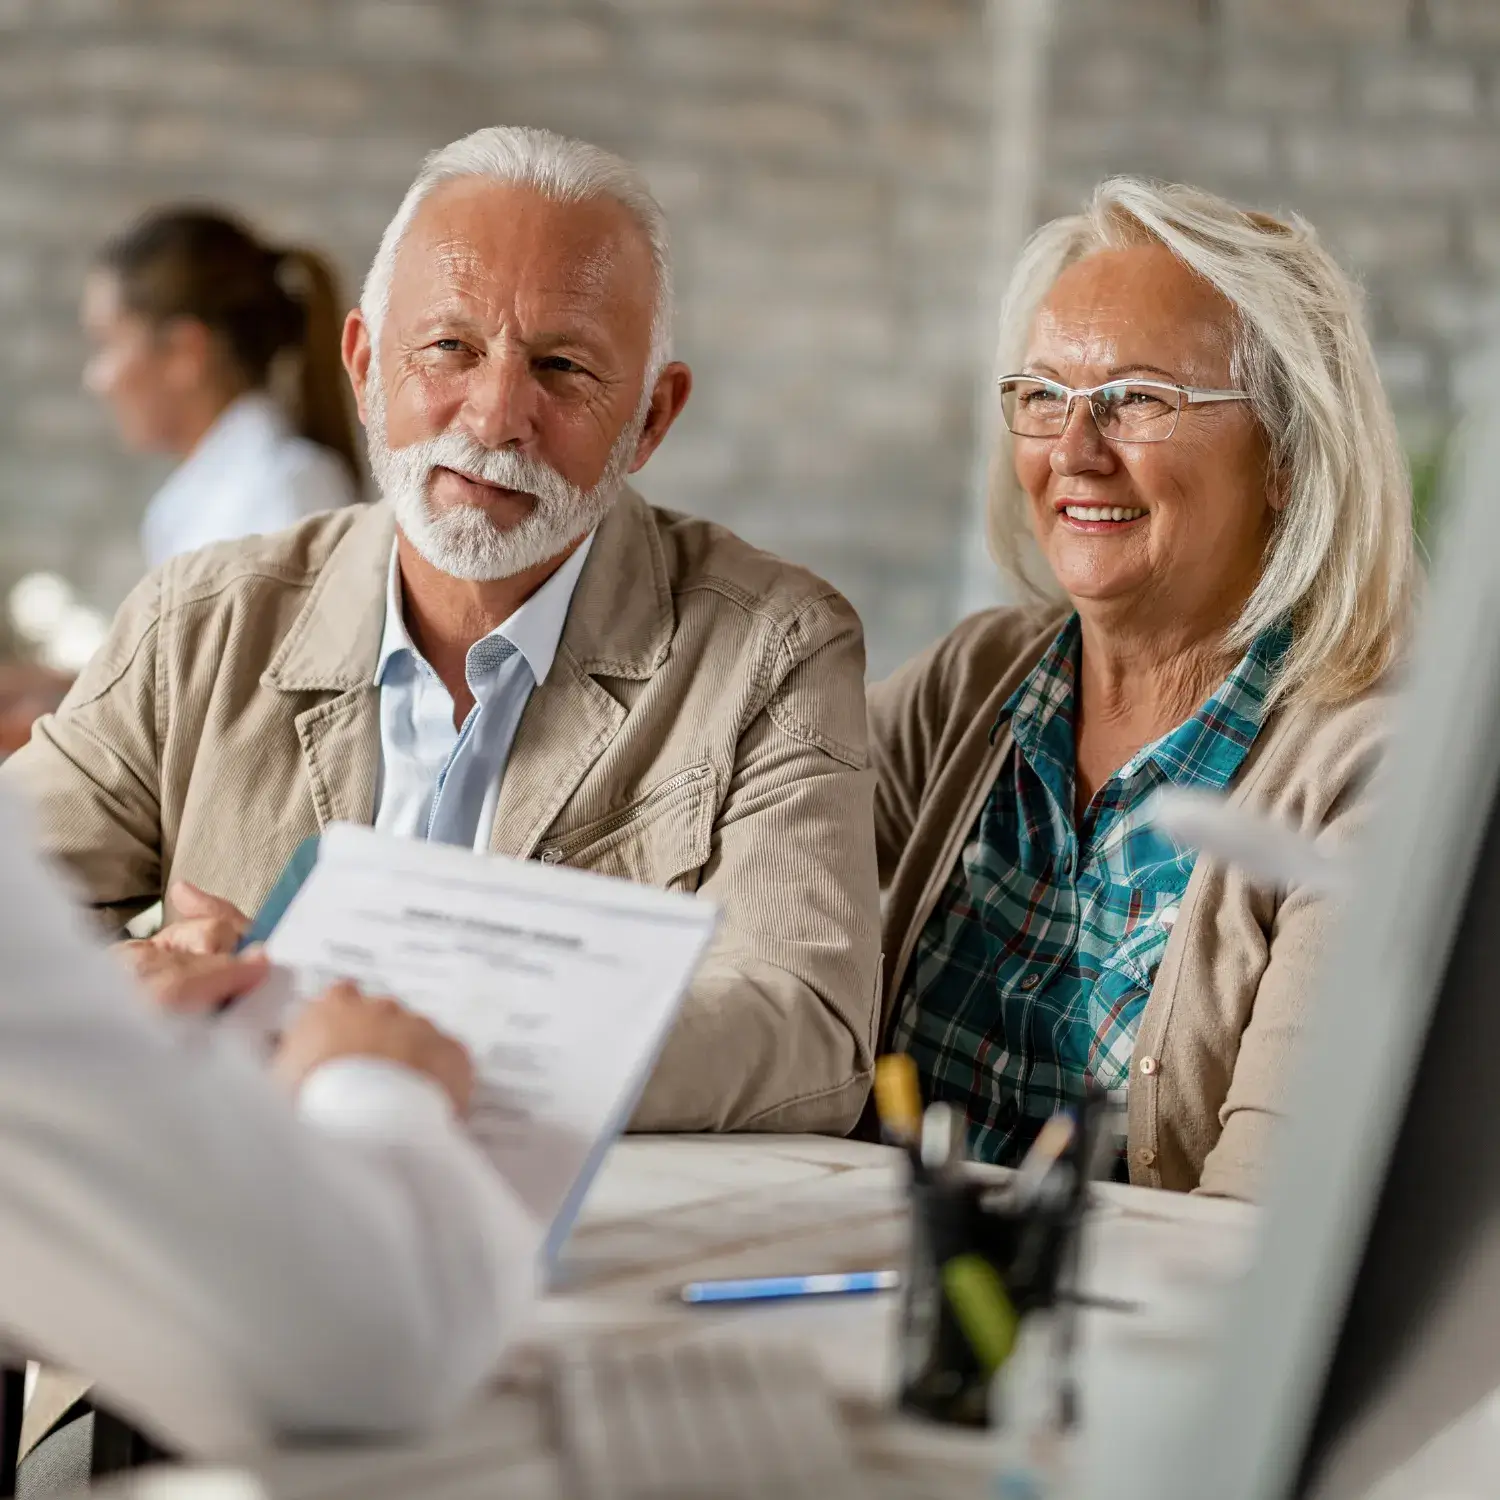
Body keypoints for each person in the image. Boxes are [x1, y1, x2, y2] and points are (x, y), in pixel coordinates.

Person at [4, 126, 880, 1136]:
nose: (497, 414)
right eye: (449, 348)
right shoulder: (196, 621)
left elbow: (808, 1031)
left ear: (651, 419)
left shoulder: (775, 650)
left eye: (561, 367)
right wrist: (126, 984)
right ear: (365, 364)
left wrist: (400, 1045)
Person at [870, 178, 1412, 1200]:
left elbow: (1257, 1229)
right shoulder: (968, 684)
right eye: (1044, 396)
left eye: (1139, 399)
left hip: (1142, 1342)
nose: (1075, 452)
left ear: (1287, 456)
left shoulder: (1369, 773)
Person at [0, 787, 537, 1461]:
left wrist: (103, 1013)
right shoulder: (173, 681)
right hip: (193, 1374)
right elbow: (371, 1348)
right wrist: (371, 1080)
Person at [83, 208, 362, 568]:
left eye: (109, 344)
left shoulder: (286, 490)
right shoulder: (197, 500)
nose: (97, 379)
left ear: (185, 353)